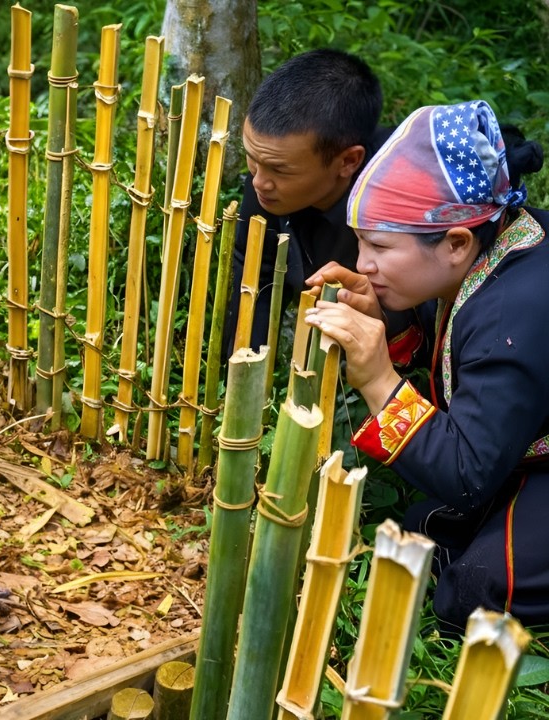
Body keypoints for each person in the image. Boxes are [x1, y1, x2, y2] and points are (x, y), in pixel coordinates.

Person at [306, 100, 549, 630]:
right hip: (523, 447)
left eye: (378, 246)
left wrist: (376, 379)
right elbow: (459, 363)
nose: (362, 263)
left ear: (457, 242)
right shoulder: (493, 245)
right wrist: (386, 323)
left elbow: (466, 473)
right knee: (423, 530)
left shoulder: (517, 308)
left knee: (478, 591)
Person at [225, 49, 421, 357]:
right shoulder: (269, 181)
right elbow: (253, 271)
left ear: (348, 161)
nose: (259, 182)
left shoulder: (401, 210)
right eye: (253, 157)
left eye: (279, 169)